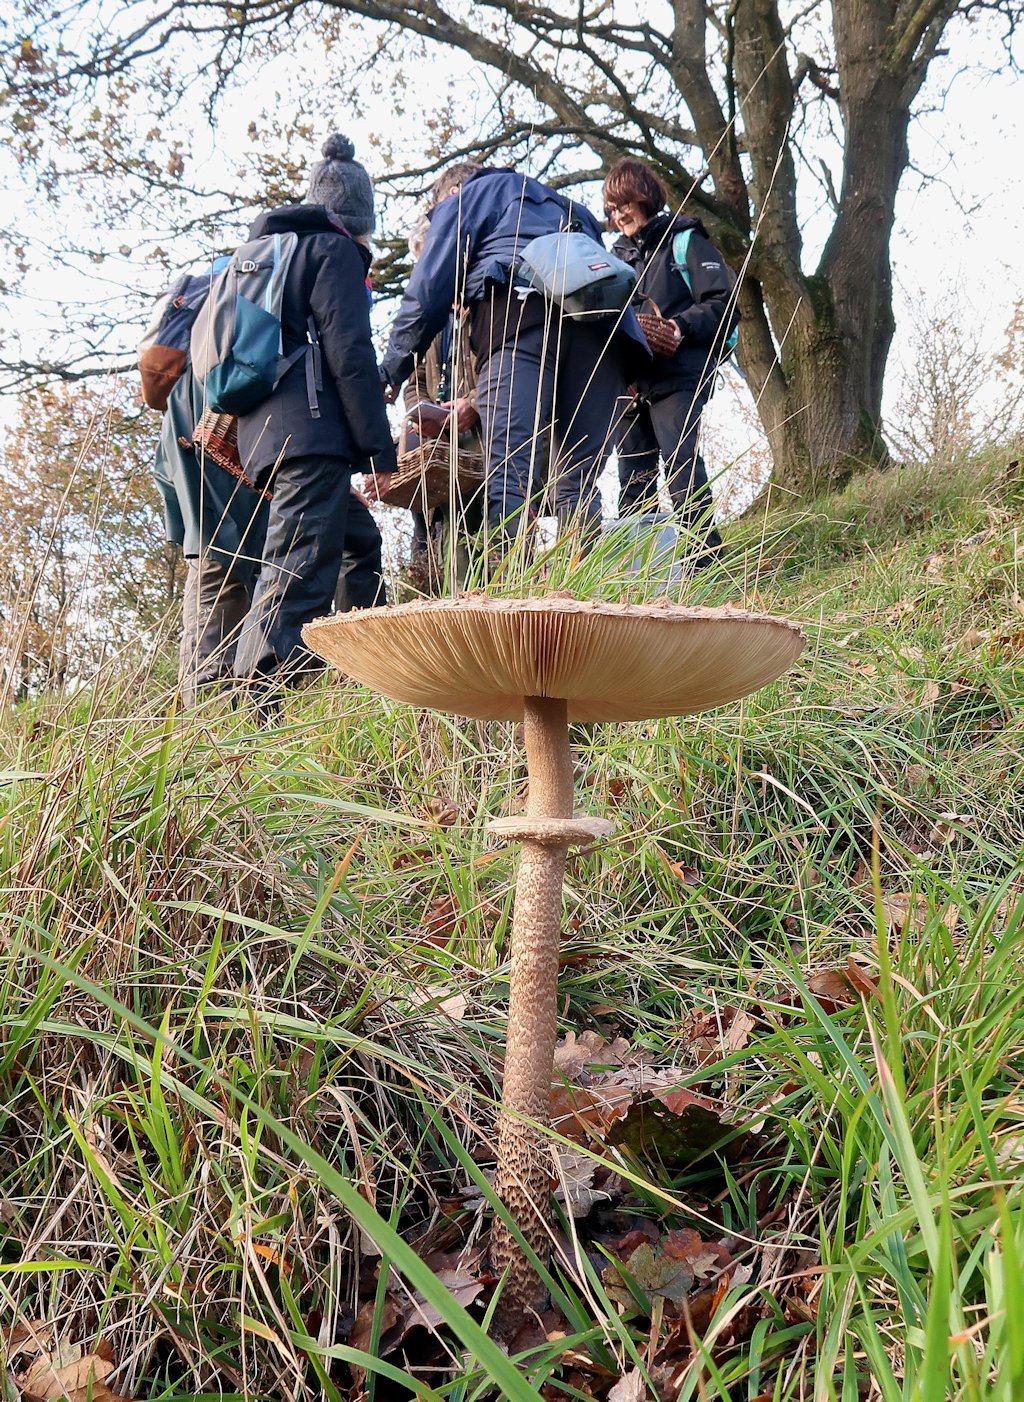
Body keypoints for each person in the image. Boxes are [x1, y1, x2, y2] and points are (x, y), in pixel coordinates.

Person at [379, 160, 649, 549]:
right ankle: (583, 600)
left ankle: (507, 601)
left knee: (508, 477)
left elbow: (427, 290)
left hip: (518, 319)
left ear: (451, 194)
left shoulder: (470, 196)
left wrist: (391, 369)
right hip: (604, 336)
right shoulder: (576, 209)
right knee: (576, 483)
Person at [232, 134, 396, 693]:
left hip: (266, 437)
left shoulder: (263, 256)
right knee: (295, 573)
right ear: (359, 215)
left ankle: (367, 669)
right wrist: (380, 449)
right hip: (310, 436)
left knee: (360, 542)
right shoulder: (333, 251)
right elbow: (351, 354)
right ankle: (258, 714)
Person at [604, 157, 736, 560]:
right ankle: (640, 576)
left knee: (681, 466)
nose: (618, 214)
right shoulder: (613, 261)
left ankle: (704, 563)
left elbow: (724, 302)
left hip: (677, 377)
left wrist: (679, 326)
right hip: (631, 389)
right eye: (611, 209)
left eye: (623, 203)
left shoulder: (685, 240)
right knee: (633, 482)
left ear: (644, 197)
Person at [152, 364, 269, 705]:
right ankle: (210, 713)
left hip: (201, 420)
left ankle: (214, 707)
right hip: (212, 426)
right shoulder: (230, 320)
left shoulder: (203, 328)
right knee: (218, 565)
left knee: (219, 564)